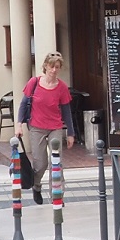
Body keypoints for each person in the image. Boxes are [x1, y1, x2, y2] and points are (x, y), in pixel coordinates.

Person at [20, 52, 76, 206]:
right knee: (41, 164)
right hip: (36, 126)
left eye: (57, 67)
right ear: (45, 66)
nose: (54, 70)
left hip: (55, 127)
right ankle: (36, 185)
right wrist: (19, 124)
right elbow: (23, 104)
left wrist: (70, 133)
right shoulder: (34, 83)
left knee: (56, 162)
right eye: (51, 66)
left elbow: (66, 111)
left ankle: (57, 195)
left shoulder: (62, 87)